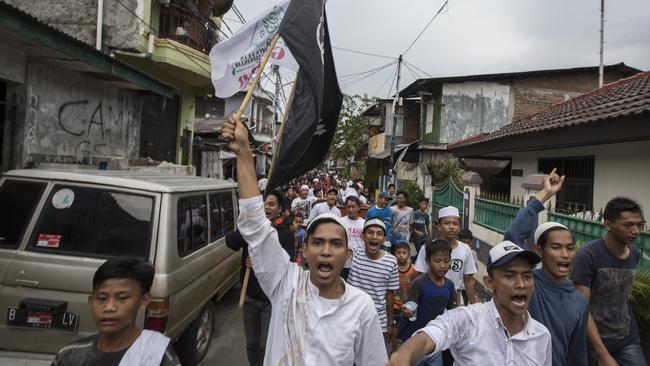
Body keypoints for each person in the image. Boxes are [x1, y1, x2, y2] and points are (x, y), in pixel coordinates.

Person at [221, 115, 387, 365]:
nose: (326, 251)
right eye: (318, 242)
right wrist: (244, 152)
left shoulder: (361, 308)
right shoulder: (285, 283)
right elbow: (254, 225)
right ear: (304, 250)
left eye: (336, 244)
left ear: (348, 254)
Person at [388, 241, 552, 366]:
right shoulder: (468, 320)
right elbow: (433, 334)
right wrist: (405, 354)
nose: (521, 284)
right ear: (489, 283)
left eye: (527, 276)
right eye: (509, 276)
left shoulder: (541, 337)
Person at [503, 169, 589, 366]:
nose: (565, 254)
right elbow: (512, 239)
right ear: (539, 251)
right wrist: (544, 195)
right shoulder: (528, 284)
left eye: (569, 248)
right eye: (556, 247)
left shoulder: (579, 301)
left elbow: (577, 355)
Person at [52, 258, 180, 366]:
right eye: (102, 298)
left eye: (122, 298)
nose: (109, 307)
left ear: (143, 300)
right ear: (91, 302)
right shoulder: (70, 356)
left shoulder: (156, 355)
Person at [571, 197, 647, 365]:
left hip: (627, 339)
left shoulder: (634, 254)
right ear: (608, 224)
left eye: (639, 225)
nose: (635, 231)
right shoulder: (588, 256)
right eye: (628, 225)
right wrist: (602, 353)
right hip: (592, 342)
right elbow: (581, 307)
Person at [225, 191, 296, 366]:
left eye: (271, 204)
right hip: (249, 298)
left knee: (267, 346)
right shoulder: (251, 230)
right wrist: (246, 221)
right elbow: (231, 242)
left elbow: (288, 265)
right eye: (264, 203)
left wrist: (260, 261)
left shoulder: (284, 234)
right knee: (252, 345)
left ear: (279, 209)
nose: (266, 207)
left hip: (271, 301)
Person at [399, 239, 456, 366]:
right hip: (414, 339)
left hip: (434, 341)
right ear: (427, 262)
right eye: (437, 261)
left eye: (446, 261)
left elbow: (452, 314)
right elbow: (411, 305)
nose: (442, 265)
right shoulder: (420, 283)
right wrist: (406, 311)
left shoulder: (450, 286)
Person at [347, 218, 400, 341]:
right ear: (362, 236)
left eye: (379, 233)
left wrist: (390, 321)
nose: (374, 237)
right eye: (370, 232)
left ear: (384, 239)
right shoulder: (352, 255)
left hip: (377, 320)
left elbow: (390, 293)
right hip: (351, 317)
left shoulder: (391, 261)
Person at [415, 206, 478, 305]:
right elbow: (420, 277)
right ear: (439, 226)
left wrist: (475, 307)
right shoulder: (428, 247)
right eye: (447, 223)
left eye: (455, 223)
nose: (451, 227)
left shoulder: (465, 249)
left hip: (456, 301)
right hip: (431, 299)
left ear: (459, 227)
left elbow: (469, 280)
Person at [392, 242, 419, 349]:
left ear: (409, 254)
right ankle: (394, 350)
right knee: (395, 329)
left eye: (404, 253)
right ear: (394, 254)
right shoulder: (392, 268)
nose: (401, 255)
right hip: (394, 305)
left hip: (409, 306)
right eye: (398, 253)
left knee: (408, 330)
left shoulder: (414, 270)